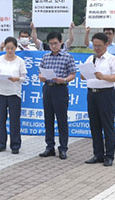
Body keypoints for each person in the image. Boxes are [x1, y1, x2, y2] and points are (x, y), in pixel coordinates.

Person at [82, 32, 115, 167]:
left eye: (99, 46)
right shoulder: (90, 59)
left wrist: (103, 77)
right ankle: (98, 154)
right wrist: (85, 74)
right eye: (95, 45)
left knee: (107, 125)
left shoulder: (112, 59)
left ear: (107, 44)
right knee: (95, 125)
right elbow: (83, 77)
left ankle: (109, 156)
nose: (97, 48)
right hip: (92, 94)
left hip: (106, 94)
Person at [38, 31, 77, 160]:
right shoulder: (45, 57)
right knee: (48, 119)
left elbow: (73, 74)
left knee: (62, 120)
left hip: (60, 89)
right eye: (51, 44)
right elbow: (40, 73)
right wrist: (42, 78)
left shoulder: (67, 57)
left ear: (61, 42)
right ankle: (49, 147)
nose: (53, 46)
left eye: (55, 43)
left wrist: (64, 80)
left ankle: (63, 148)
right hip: (48, 89)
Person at [0, 36, 27, 154]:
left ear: (16, 48)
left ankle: (15, 145)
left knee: (14, 120)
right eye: (8, 48)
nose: (10, 50)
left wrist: (16, 78)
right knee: (1, 120)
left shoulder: (20, 61)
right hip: (1, 92)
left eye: (12, 48)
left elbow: (24, 77)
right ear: (4, 47)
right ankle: (1, 143)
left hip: (14, 93)